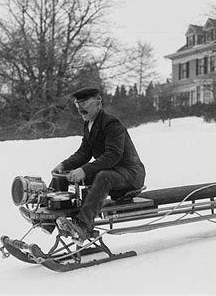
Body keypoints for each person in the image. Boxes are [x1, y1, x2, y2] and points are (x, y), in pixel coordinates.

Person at [52, 87, 146, 244]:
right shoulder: (89, 124)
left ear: (98, 103)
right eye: (78, 105)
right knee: (64, 176)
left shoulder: (111, 123)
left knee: (103, 176)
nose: (81, 109)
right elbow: (84, 153)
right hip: (111, 171)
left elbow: (113, 156)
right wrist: (64, 165)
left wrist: (84, 170)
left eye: (85, 104)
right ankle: (48, 218)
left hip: (130, 175)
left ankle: (82, 226)